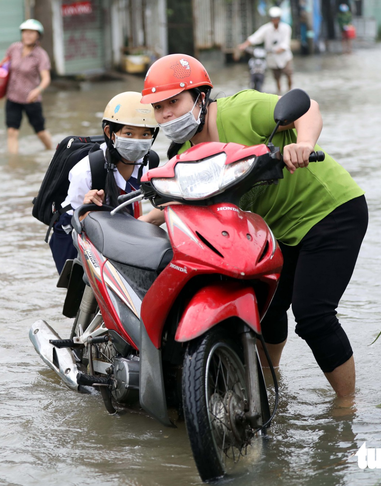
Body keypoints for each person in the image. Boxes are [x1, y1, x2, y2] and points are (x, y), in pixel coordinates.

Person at [140, 54, 367, 399]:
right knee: (267, 305)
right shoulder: (185, 152)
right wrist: (145, 218)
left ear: (200, 97)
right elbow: (184, 198)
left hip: (329, 211)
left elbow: (308, 109)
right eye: (159, 107)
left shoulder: (240, 109)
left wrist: (303, 144)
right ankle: (270, 382)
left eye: (174, 102)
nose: (166, 114)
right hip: (277, 230)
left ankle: (347, 407)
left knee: (313, 315)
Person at [49, 91, 160, 273]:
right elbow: (74, 218)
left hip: (122, 226)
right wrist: (88, 207)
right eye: (129, 133)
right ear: (110, 132)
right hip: (74, 234)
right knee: (80, 291)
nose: (138, 141)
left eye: (146, 134)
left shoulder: (150, 163)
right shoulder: (86, 171)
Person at [0, 19, 52, 155]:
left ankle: (52, 153)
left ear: (38, 35)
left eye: (31, 32)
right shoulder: (14, 48)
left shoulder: (40, 55)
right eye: (25, 32)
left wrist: (38, 90)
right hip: (13, 97)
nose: (27, 35)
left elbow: (46, 78)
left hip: (31, 99)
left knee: (40, 131)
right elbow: (1, 66)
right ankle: (13, 164)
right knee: (12, 131)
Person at [237, 6, 293, 94]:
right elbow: (255, 37)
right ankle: (280, 93)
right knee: (277, 77)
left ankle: (290, 91)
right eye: (273, 18)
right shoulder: (266, 28)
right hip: (272, 58)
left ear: (279, 18)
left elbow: (286, 42)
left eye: (276, 18)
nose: (274, 20)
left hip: (284, 57)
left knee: (288, 74)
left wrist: (280, 49)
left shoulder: (286, 28)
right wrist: (244, 45)